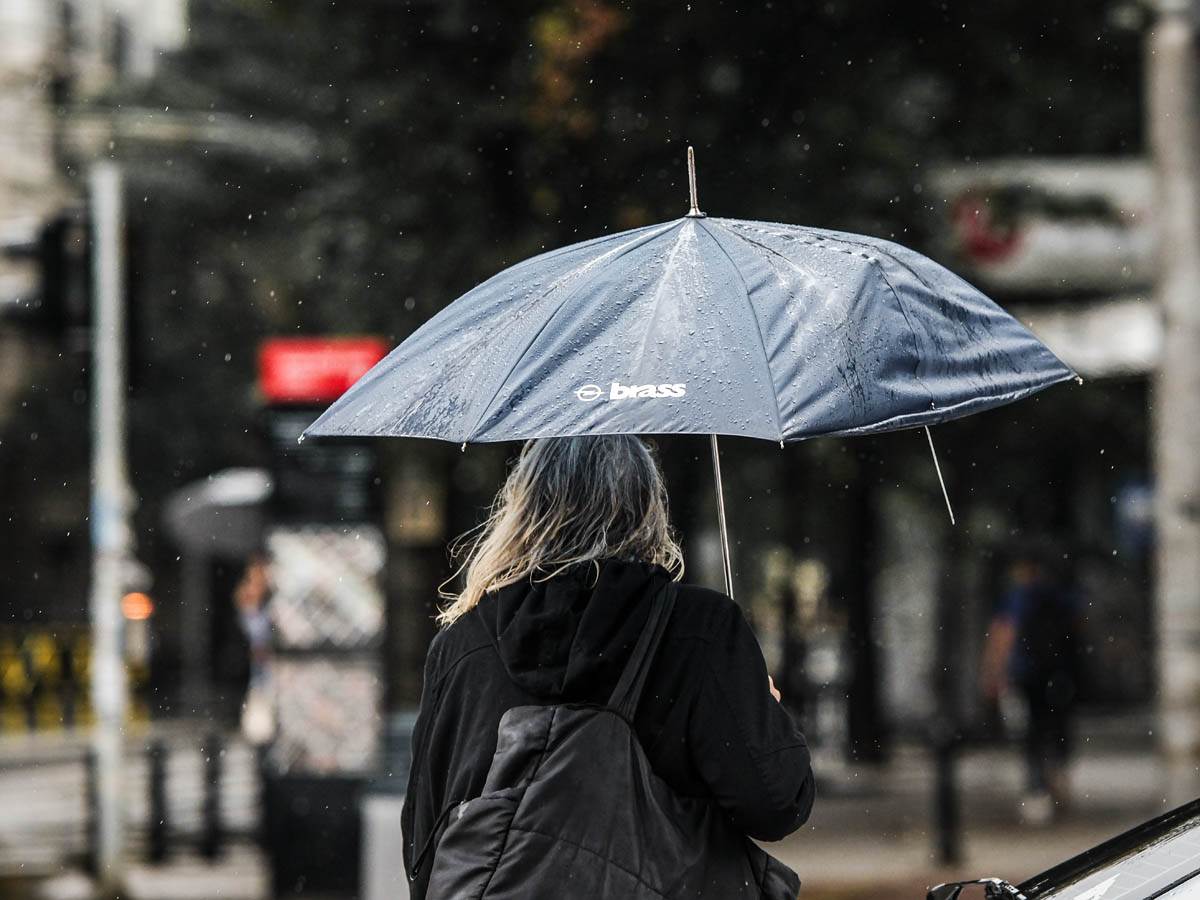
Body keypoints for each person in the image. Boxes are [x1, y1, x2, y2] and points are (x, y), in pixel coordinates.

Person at [401, 436, 815, 899]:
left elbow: (424, 847)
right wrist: (766, 717)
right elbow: (778, 804)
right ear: (647, 508)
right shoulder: (701, 631)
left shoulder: (462, 646)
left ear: (522, 510)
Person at [981, 548, 1080, 825]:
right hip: (1058, 674)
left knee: (1032, 734)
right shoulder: (1060, 596)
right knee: (1057, 726)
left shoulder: (1017, 598)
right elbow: (1078, 627)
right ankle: (1058, 775)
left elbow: (1003, 633)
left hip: (1026, 675)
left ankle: (1037, 791)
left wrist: (993, 671)